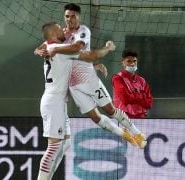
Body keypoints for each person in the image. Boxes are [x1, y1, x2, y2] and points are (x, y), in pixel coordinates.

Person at [35, 3, 147, 150]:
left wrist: (96, 61)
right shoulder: (61, 35)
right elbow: (39, 48)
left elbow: (78, 49)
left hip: (88, 79)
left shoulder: (83, 31)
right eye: (67, 16)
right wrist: (39, 52)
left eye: (73, 16)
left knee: (110, 110)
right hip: (73, 85)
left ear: (79, 17)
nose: (69, 19)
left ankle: (137, 133)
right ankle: (124, 135)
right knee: (95, 117)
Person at [37, 22, 116, 180]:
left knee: (64, 144)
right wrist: (108, 48)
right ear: (53, 34)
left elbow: (70, 66)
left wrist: (94, 67)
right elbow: (91, 55)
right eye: (59, 28)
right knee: (53, 147)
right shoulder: (62, 51)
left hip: (57, 101)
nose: (63, 29)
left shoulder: (48, 46)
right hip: (53, 102)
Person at [112, 49, 153, 119]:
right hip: (123, 118)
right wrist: (142, 96)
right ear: (123, 63)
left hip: (141, 117)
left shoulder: (142, 80)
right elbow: (125, 99)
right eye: (128, 61)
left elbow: (149, 103)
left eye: (134, 61)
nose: (132, 64)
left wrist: (133, 96)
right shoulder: (118, 78)